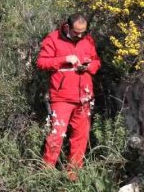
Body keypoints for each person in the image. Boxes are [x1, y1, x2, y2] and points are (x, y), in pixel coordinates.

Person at [36, 13, 100, 178]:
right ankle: (46, 176)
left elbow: (96, 62)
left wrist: (88, 66)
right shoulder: (53, 38)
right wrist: (65, 59)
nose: (80, 35)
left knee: (80, 139)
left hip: (84, 97)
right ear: (68, 26)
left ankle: (73, 177)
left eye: (83, 32)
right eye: (76, 32)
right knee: (56, 136)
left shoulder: (88, 40)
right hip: (61, 97)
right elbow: (42, 62)